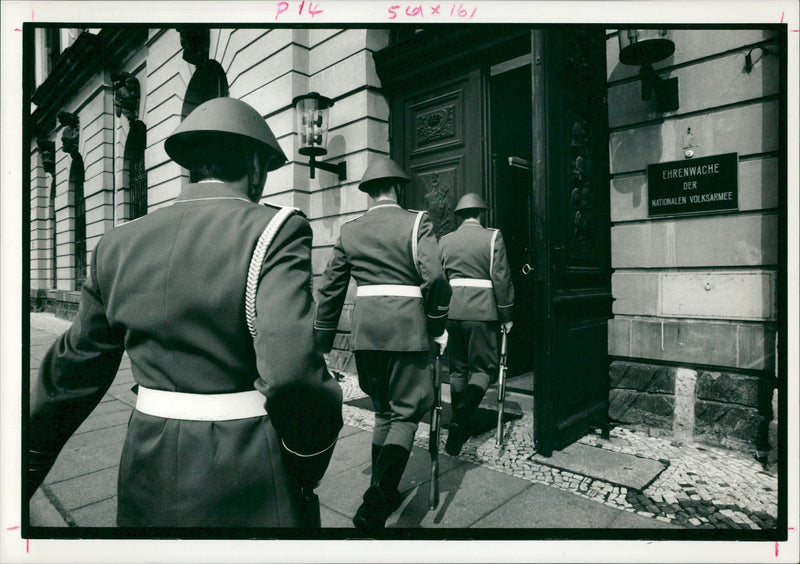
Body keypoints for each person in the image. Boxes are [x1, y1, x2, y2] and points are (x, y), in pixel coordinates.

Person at [27, 97, 343, 528]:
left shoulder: (117, 244)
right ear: (254, 166)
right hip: (247, 468)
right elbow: (292, 374)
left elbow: (70, 374)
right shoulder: (275, 230)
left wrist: (23, 472)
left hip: (145, 464)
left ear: (191, 163)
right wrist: (308, 457)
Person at [314, 156, 451, 531]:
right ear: (397, 187)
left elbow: (330, 289)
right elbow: (435, 278)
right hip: (407, 331)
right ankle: (376, 502)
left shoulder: (350, 229)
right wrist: (437, 325)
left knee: (383, 412)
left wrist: (323, 340)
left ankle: (383, 488)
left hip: (367, 335)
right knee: (406, 414)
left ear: (369, 192)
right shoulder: (417, 222)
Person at [438, 193, 514, 456]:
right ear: (480, 213)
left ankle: (462, 420)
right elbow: (501, 278)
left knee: (458, 368)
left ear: (460, 215)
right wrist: (507, 315)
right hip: (482, 312)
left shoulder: (445, 240)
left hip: (452, 312)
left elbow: (439, 279)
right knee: (483, 369)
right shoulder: (493, 236)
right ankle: (462, 419)